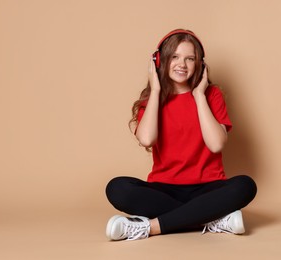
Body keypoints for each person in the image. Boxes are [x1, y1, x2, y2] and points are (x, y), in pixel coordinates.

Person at [105, 29, 257, 241]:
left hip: (208, 188)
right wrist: (156, 91)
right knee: (117, 188)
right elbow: (147, 139)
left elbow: (216, 145)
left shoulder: (211, 95)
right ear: (160, 61)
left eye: (190, 58)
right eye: (174, 57)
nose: (182, 64)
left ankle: (149, 228)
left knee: (245, 186)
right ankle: (211, 219)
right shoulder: (151, 100)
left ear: (200, 65)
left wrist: (198, 96)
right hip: (164, 190)